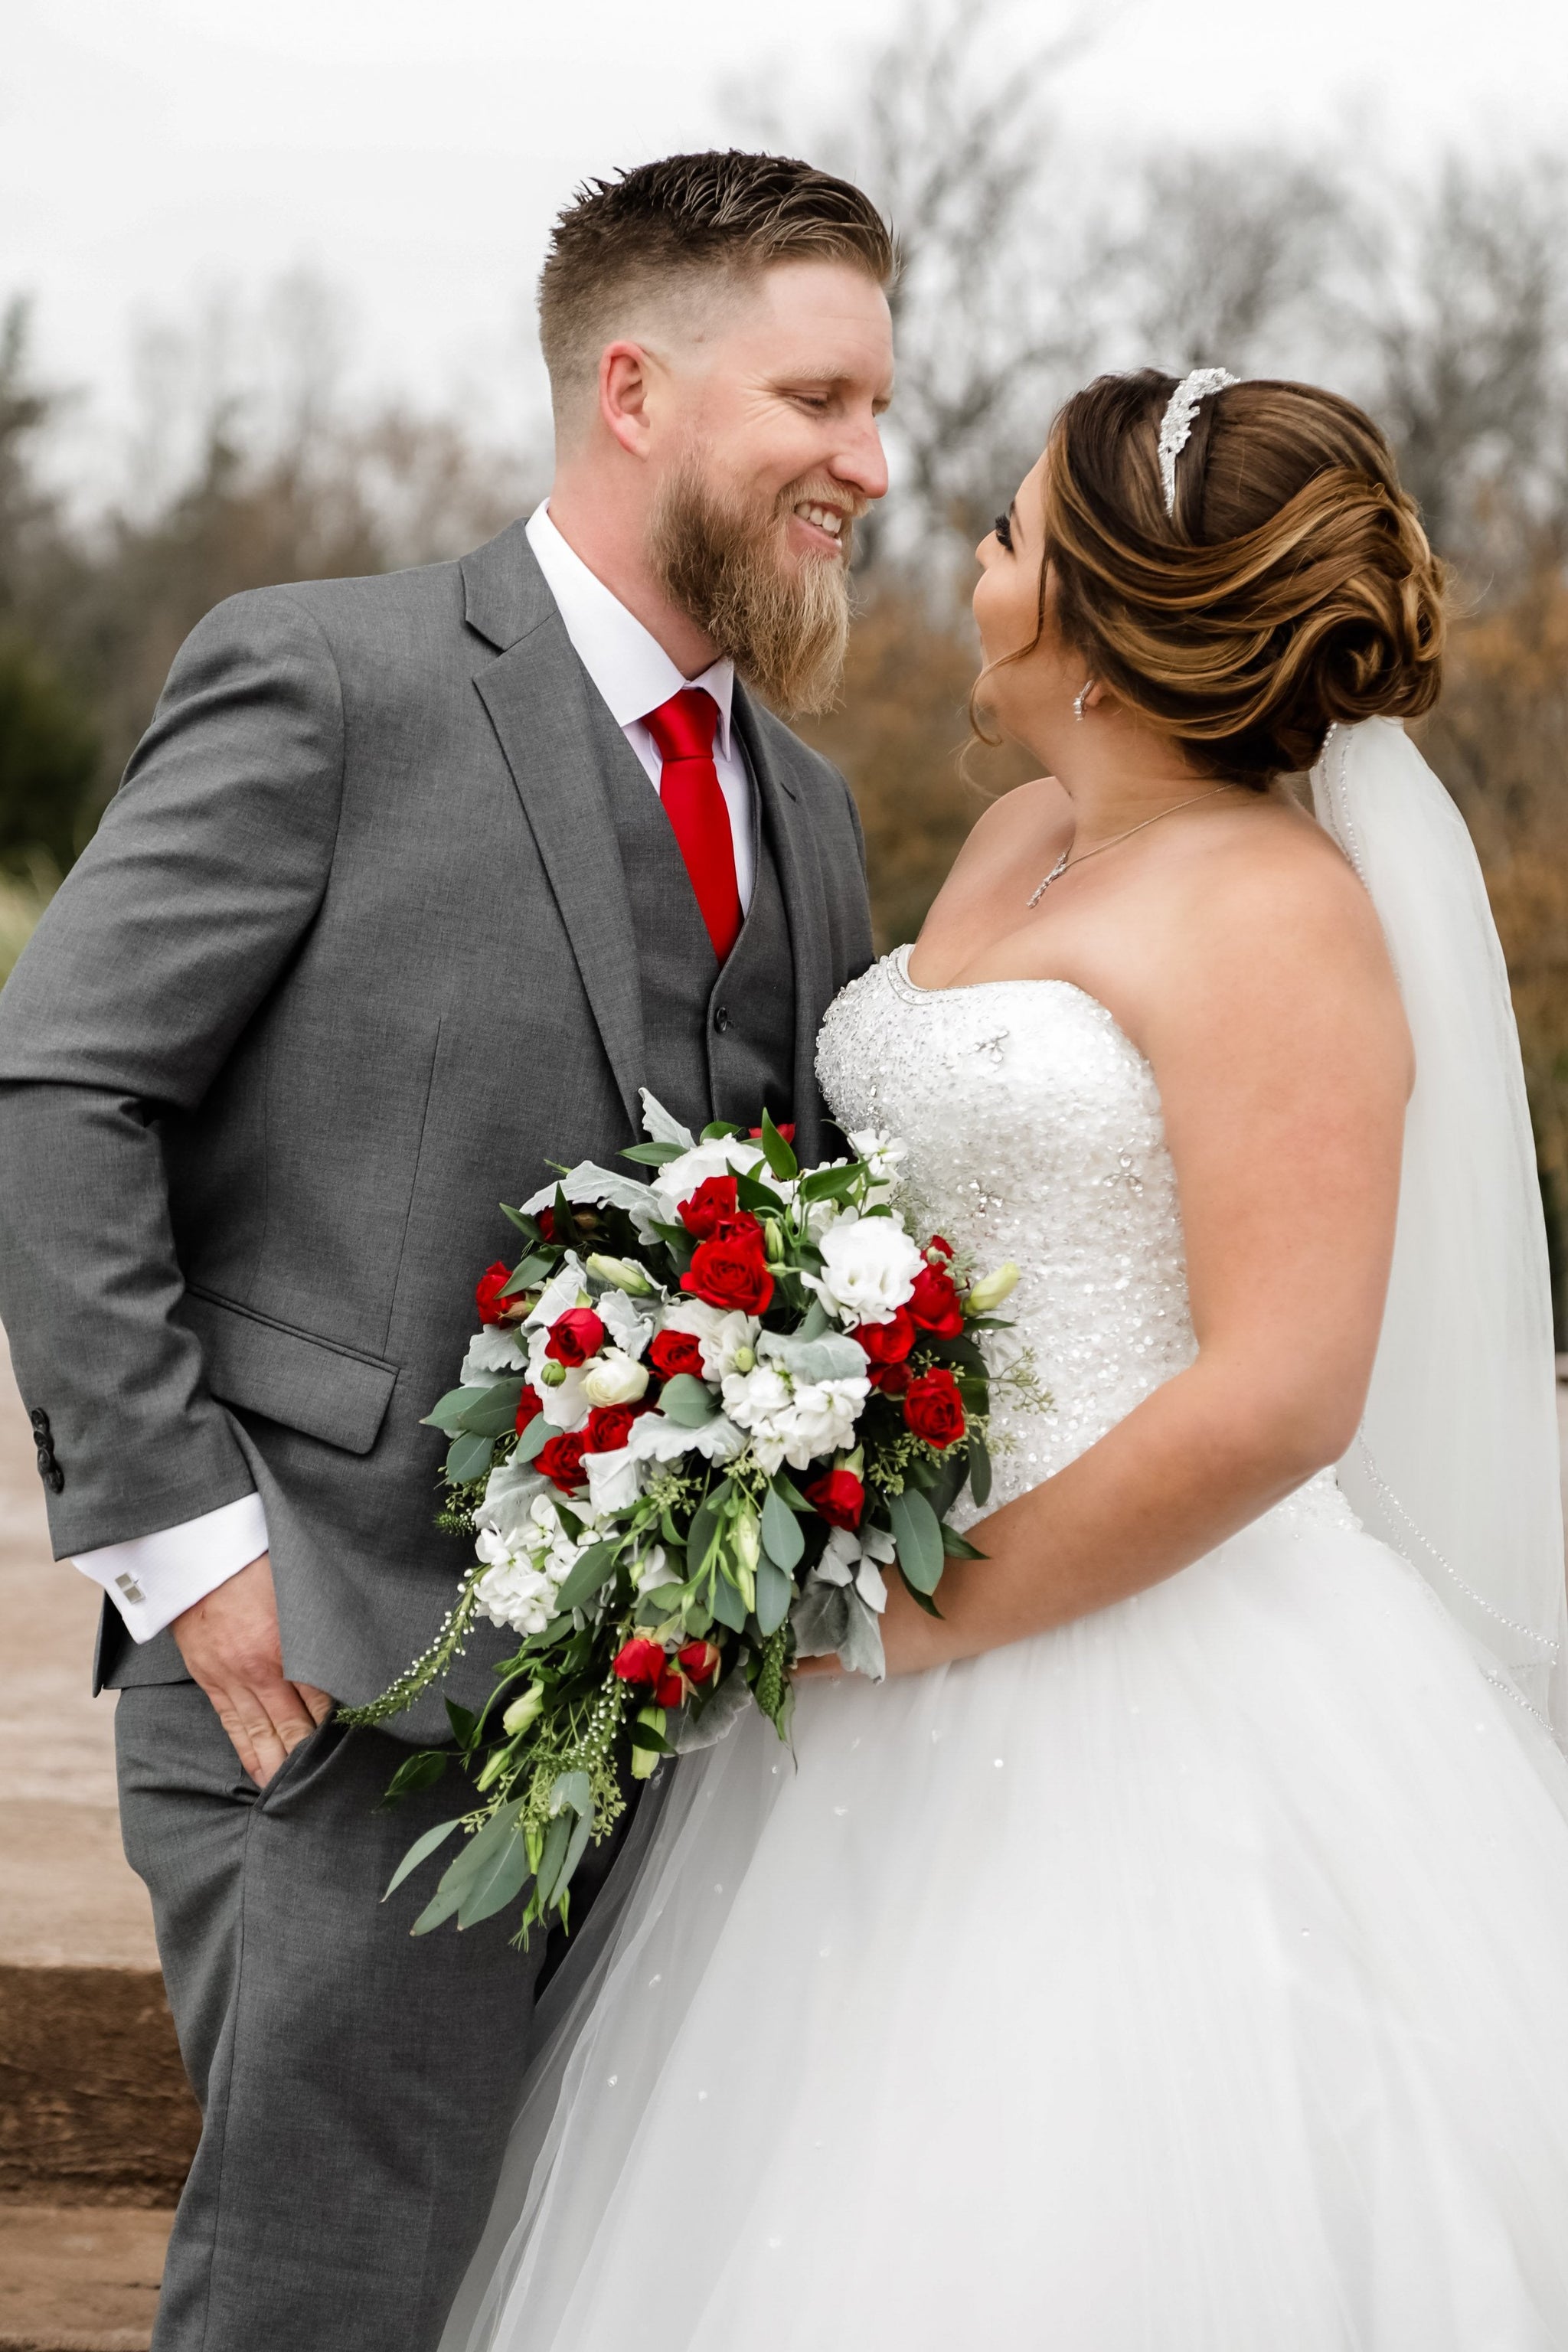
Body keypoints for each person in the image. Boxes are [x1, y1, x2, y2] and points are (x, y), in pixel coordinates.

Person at [443, 371, 1568, 2351]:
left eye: (1015, 533)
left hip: (1140, 1664)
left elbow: (1285, 1392)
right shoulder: (1028, 834)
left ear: (1110, 628)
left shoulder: (1282, 918)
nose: (967, 554)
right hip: (868, 1642)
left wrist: (912, 1616)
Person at [0, 150, 891, 2351]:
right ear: (636, 390)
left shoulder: (814, 803)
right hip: (332, 1691)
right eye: (819, 403)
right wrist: (195, 1557)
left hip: (674, 1749)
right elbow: (58, 1095)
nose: (867, 465)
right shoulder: (329, 678)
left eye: (879, 411)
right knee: (329, 2308)